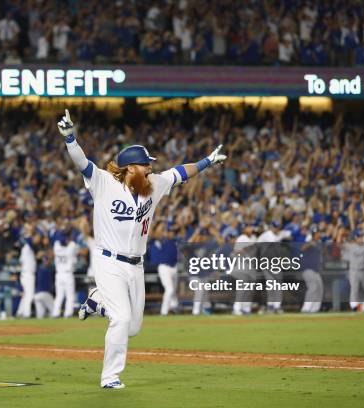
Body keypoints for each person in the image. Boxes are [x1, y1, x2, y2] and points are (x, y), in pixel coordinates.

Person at [57, 109, 227, 389]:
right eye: (146, 164)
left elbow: (181, 172)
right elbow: (82, 163)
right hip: (109, 261)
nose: (150, 168)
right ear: (131, 168)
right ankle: (110, 377)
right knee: (122, 320)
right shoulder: (103, 183)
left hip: (136, 264)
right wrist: (70, 139)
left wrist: (207, 161)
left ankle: (97, 301)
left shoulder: (154, 185)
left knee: (133, 328)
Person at [51, 222, 80, 318]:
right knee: (70, 295)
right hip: (67, 274)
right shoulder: (71, 247)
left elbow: (58, 238)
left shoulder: (56, 247)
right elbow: (74, 238)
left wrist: (63, 230)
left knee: (59, 295)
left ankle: (55, 313)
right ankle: (68, 313)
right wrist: (72, 228)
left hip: (59, 274)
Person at [17, 224, 37, 318]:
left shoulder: (24, 248)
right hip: (28, 274)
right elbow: (30, 242)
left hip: (24, 273)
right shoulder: (27, 246)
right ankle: (26, 313)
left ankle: (20, 312)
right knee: (30, 295)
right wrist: (29, 232)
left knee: (26, 295)